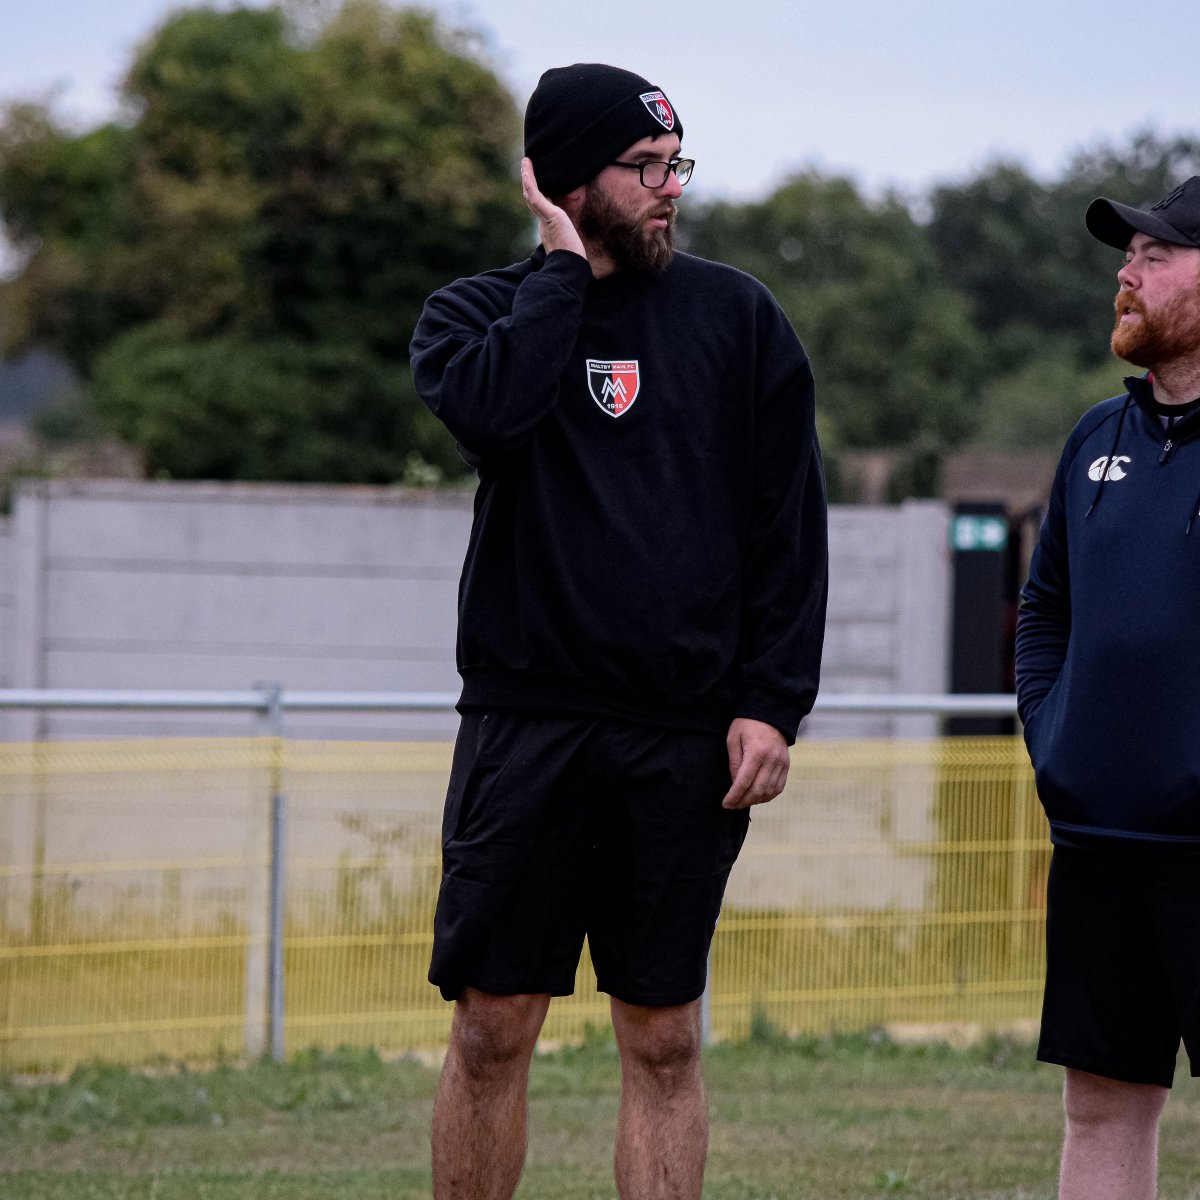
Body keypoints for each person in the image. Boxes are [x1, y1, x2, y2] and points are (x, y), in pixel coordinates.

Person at [409, 63, 828, 1200]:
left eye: (675, 165)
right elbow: (495, 413)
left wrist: (770, 701)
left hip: (681, 739)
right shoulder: (476, 315)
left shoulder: (737, 318)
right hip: (526, 727)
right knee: (493, 1029)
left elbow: (785, 528)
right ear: (560, 180)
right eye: (643, 169)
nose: (669, 190)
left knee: (664, 1038)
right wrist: (557, 271)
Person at [1016, 175, 1200, 1200]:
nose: (1126, 277)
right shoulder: (1096, 439)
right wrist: (1057, 739)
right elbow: (1043, 616)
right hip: (1099, 842)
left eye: (1156, 257)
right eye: (1127, 257)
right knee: (1101, 1106)